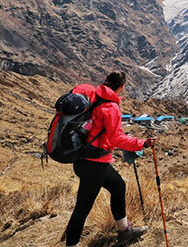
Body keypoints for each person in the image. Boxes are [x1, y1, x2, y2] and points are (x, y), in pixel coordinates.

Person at [65, 71, 157, 247]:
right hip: (95, 163)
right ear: (121, 87)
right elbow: (117, 139)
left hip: (84, 159)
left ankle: (124, 230)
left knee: (118, 186)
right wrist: (142, 143)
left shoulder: (94, 96)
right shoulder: (110, 107)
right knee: (82, 208)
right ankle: (73, 244)